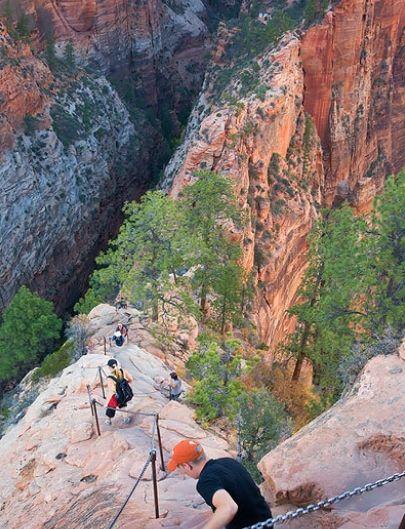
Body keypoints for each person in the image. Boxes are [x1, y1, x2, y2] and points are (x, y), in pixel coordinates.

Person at [167, 440, 272, 529]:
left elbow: (229, 507)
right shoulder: (229, 462)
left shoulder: (205, 482)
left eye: (179, 468)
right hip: (266, 521)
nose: (181, 472)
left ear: (186, 466)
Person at [105, 358, 133, 426]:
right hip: (123, 393)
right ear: (116, 365)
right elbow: (131, 379)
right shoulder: (123, 371)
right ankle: (125, 418)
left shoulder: (110, 377)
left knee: (111, 406)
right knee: (122, 404)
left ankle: (108, 421)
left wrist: (106, 402)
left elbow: (111, 391)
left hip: (116, 395)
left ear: (109, 367)